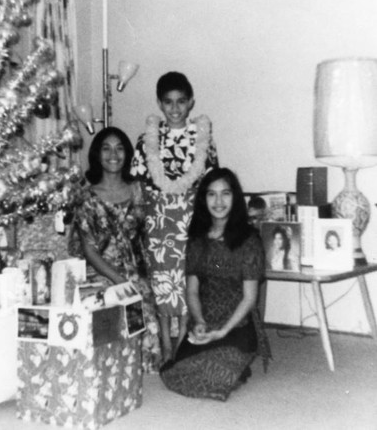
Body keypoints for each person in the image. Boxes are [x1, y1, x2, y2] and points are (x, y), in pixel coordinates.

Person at [131, 71, 219, 363]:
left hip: (190, 218)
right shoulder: (146, 140)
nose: (175, 108)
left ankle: (181, 343)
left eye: (181, 101)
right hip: (159, 219)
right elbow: (140, 184)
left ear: (191, 101)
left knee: (185, 281)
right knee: (162, 281)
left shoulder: (202, 139)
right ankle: (166, 346)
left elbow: (209, 183)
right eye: (168, 102)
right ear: (159, 103)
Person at [160, 168, 269, 401]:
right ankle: (234, 369)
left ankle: (235, 366)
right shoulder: (198, 239)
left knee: (214, 371)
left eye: (225, 194)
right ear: (204, 199)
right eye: (211, 194)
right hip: (206, 323)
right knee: (176, 370)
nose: (218, 201)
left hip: (236, 325)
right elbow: (192, 290)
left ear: (235, 197)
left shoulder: (249, 240)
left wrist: (222, 331)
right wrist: (199, 321)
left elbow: (250, 298)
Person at [69, 126, 161, 373]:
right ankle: (109, 366)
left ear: (127, 154)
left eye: (120, 148)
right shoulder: (85, 197)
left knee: (145, 315)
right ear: (97, 154)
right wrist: (120, 281)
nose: (113, 154)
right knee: (112, 307)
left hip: (136, 269)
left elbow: (150, 234)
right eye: (106, 148)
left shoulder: (139, 190)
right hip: (101, 272)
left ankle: (136, 365)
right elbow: (89, 251)